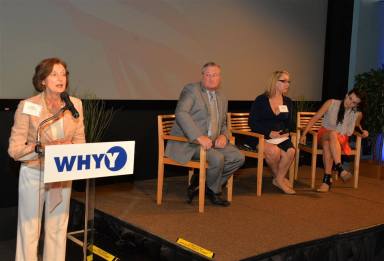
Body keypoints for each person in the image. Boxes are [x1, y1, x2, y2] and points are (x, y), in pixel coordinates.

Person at [8, 58, 85, 261]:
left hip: (62, 172)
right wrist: (40, 149)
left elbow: (80, 142)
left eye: (63, 74)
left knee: (58, 228)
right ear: (42, 80)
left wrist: (71, 150)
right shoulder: (28, 106)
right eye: (54, 74)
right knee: (29, 228)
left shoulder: (74, 104)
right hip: (34, 173)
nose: (61, 78)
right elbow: (14, 150)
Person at [165, 62, 245, 207]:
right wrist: (198, 136)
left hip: (213, 142)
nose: (211, 78)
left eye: (214, 75)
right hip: (190, 142)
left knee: (238, 157)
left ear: (220, 78)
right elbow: (181, 113)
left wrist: (223, 136)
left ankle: (205, 186)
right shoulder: (191, 90)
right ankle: (214, 192)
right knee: (217, 158)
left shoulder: (222, 96)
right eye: (207, 75)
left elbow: (223, 125)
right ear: (202, 76)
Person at [299, 88, 368, 192]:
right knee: (331, 134)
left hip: (340, 138)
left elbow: (355, 129)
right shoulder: (331, 103)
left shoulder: (356, 114)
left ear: (357, 105)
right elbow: (315, 117)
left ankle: (326, 180)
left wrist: (363, 133)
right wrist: (303, 134)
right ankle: (340, 169)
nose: (350, 103)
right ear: (346, 95)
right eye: (350, 99)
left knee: (329, 144)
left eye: (354, 103)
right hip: (323, 135)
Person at [248, 70, 296, 194]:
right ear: (275, 82)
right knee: (273, 152)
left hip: (279, 137)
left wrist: (286, 132)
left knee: (291, 151)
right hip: (261, 135)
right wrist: (269, 133)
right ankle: (279, 179)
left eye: (288, 81)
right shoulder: (261, 99)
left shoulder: (288, 102)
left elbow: (290, 124)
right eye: (283, 81)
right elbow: (252, 123)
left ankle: (278, 179)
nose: (287, 84)